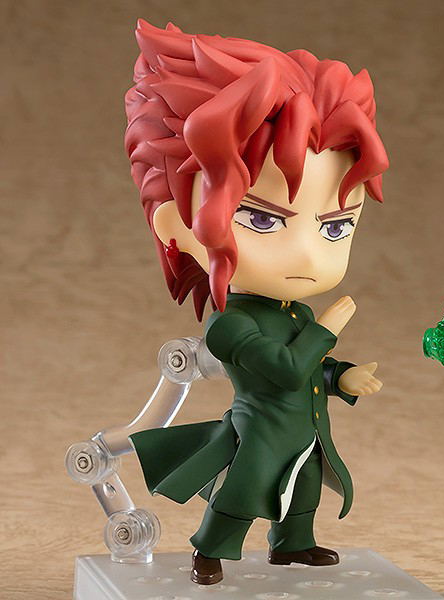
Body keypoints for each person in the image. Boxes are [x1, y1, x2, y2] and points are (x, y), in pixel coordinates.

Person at [124, 19, 389, 585]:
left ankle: (293, 545)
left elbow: (309, 368)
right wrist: (328, 329)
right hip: (258, 434)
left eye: (335, 227)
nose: (308, 254)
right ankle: (208, 550)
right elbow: (286, 367)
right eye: (264, 220)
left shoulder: (296, 313)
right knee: (243, 494)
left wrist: (341, 376)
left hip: (304, 431)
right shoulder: (230, 324)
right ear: (176, 226)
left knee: (304, 492)